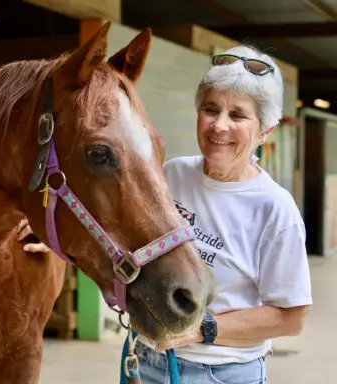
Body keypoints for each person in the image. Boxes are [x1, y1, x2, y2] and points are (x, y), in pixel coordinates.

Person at [17, 45, 313, 384]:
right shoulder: (171, 174)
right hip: (145, 362)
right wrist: (55, 240)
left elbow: (292, 317)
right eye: (210, 109)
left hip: (223, 373)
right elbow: (117, 230)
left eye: (238, 116)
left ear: (265, 131)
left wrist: (202, 330)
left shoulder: (275, 208)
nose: (219, 126)